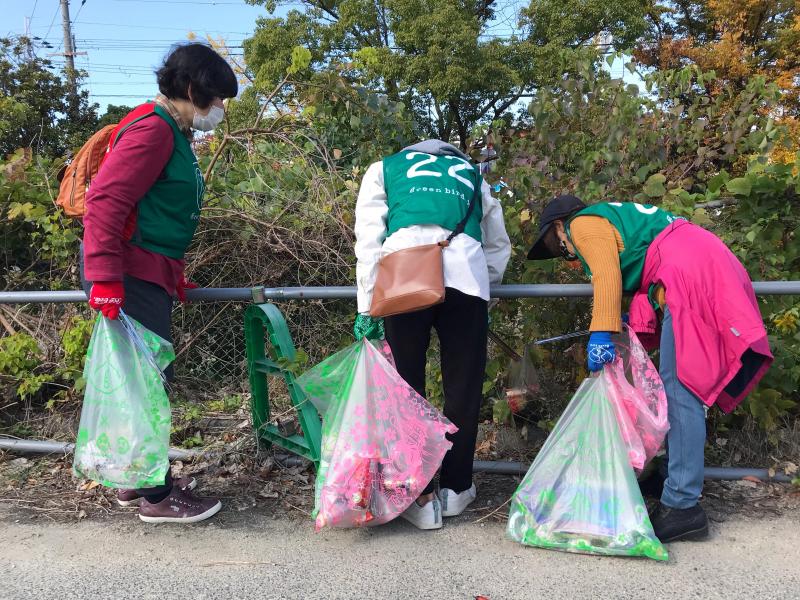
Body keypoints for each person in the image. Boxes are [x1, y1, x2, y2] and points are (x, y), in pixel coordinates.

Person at [527, 195, 773, 542]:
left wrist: (602, 331)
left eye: (559, 245)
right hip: (699, 265)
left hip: (690, 272)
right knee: (677, 384)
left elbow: (607, 273)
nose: (566, 252)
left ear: (558, 227)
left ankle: (683, 507)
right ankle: (674, 482)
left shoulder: (581, 222)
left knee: (681, 388)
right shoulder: (619, 220)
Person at [80, 43, 238, 523]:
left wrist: (170, 273)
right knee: (150, 383)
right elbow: (105, 202)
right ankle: (156, 497)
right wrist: (106, 278)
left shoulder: (172, 130)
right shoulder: (154, 130)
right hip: (126, 275)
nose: (219, 111)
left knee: (139, 382)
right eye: (216, 99)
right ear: (192, 90)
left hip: (143, 272)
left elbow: (156, 214)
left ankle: (136, 479)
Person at [353, 140, 511, 530]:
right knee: (463, 387)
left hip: (404, 279)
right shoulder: (473, 176)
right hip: (466, 282)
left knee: (405, 387)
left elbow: (369, 239)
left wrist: (366, 303)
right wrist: (483, 288)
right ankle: (456, 489)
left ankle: (418, 496)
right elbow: (497, 244)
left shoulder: (385, 167)